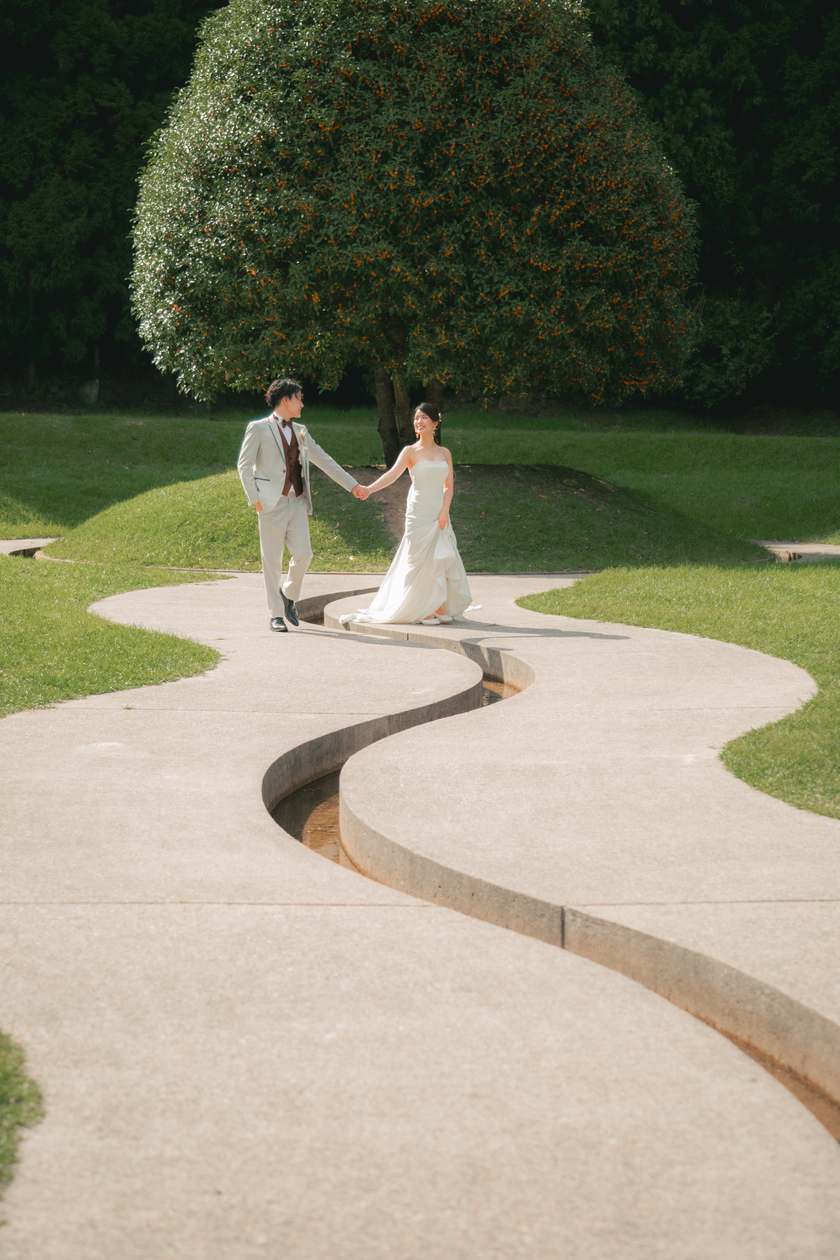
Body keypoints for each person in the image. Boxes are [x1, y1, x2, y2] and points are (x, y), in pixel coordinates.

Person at [238, 378, 366, 632]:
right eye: (299, 398)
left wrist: (353, 485)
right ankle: (276, 614)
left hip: (297, 501)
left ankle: (287, 594)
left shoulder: (301, 431)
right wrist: (257, 502)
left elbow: (325, 460)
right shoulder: (259, 428)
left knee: (304, 554)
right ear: (286, 399)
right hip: (270, 502)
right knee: (271, 560)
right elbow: (244, 466)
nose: (302, 404)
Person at [344, 402, 473, 626]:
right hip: (418, 511)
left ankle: (437, 605)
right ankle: (421, 609)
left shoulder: (445, 453)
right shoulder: (410, 451)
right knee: (418, 559)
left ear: (435, 423)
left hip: (438, 512)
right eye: (416, 418)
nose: (419, 422)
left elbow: (448, 486)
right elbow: (392, 475)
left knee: (439, 557)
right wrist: (369, 489)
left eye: (424, 418)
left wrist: (445, 511)